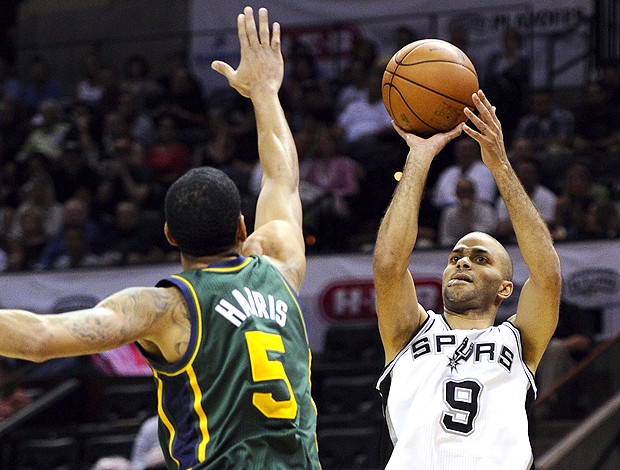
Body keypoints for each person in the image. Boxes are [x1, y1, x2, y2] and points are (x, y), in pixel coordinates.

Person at [0, 7, 320, 470]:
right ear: (242, 228)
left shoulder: (166, 309)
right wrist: (265, 91)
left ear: (169, 235)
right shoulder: (280, 263)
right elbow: (281, 178)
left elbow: (39, 337)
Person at [373, 90, 562, 469]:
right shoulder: (410, 331)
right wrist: (419, 158)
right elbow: (389, 264)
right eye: (455, 257)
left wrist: (500, 167)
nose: (462, 263)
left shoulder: (518, 339)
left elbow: (548, 276)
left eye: (480, 259)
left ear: (505, 288)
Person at [437, 177, 498, 247]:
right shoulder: (449, 213)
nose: (465, 195)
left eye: (468, 191)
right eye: (462, 191)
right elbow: (444, 238)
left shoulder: (486, 210)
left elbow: (488, 233)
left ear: (474, 192)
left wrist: (466, 216)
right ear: (456, 193)